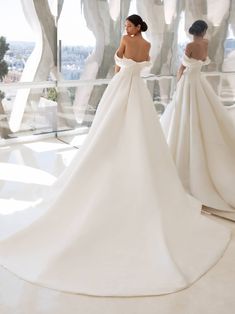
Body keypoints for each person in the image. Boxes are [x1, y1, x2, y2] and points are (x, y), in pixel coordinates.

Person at [0, 15, 230, 296]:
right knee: (142, 130)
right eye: (126, 27)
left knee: (108, 127)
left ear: (136, 27)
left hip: (121, 87)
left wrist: (121, 60)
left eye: (129, 26)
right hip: (139, 92)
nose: (126, 29)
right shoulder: (146, 45)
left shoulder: (127, 41)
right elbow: (143, 65)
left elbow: (118, 64)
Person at [160, 20, 235, 221]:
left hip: (188, 84)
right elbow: (201, 62)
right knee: (203, 115)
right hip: (200, 83)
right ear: (204, 31)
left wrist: (178, 83)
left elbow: (181, 68)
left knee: (184, 116)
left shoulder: (191, 46)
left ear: (192, 31)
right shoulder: (206, 43)